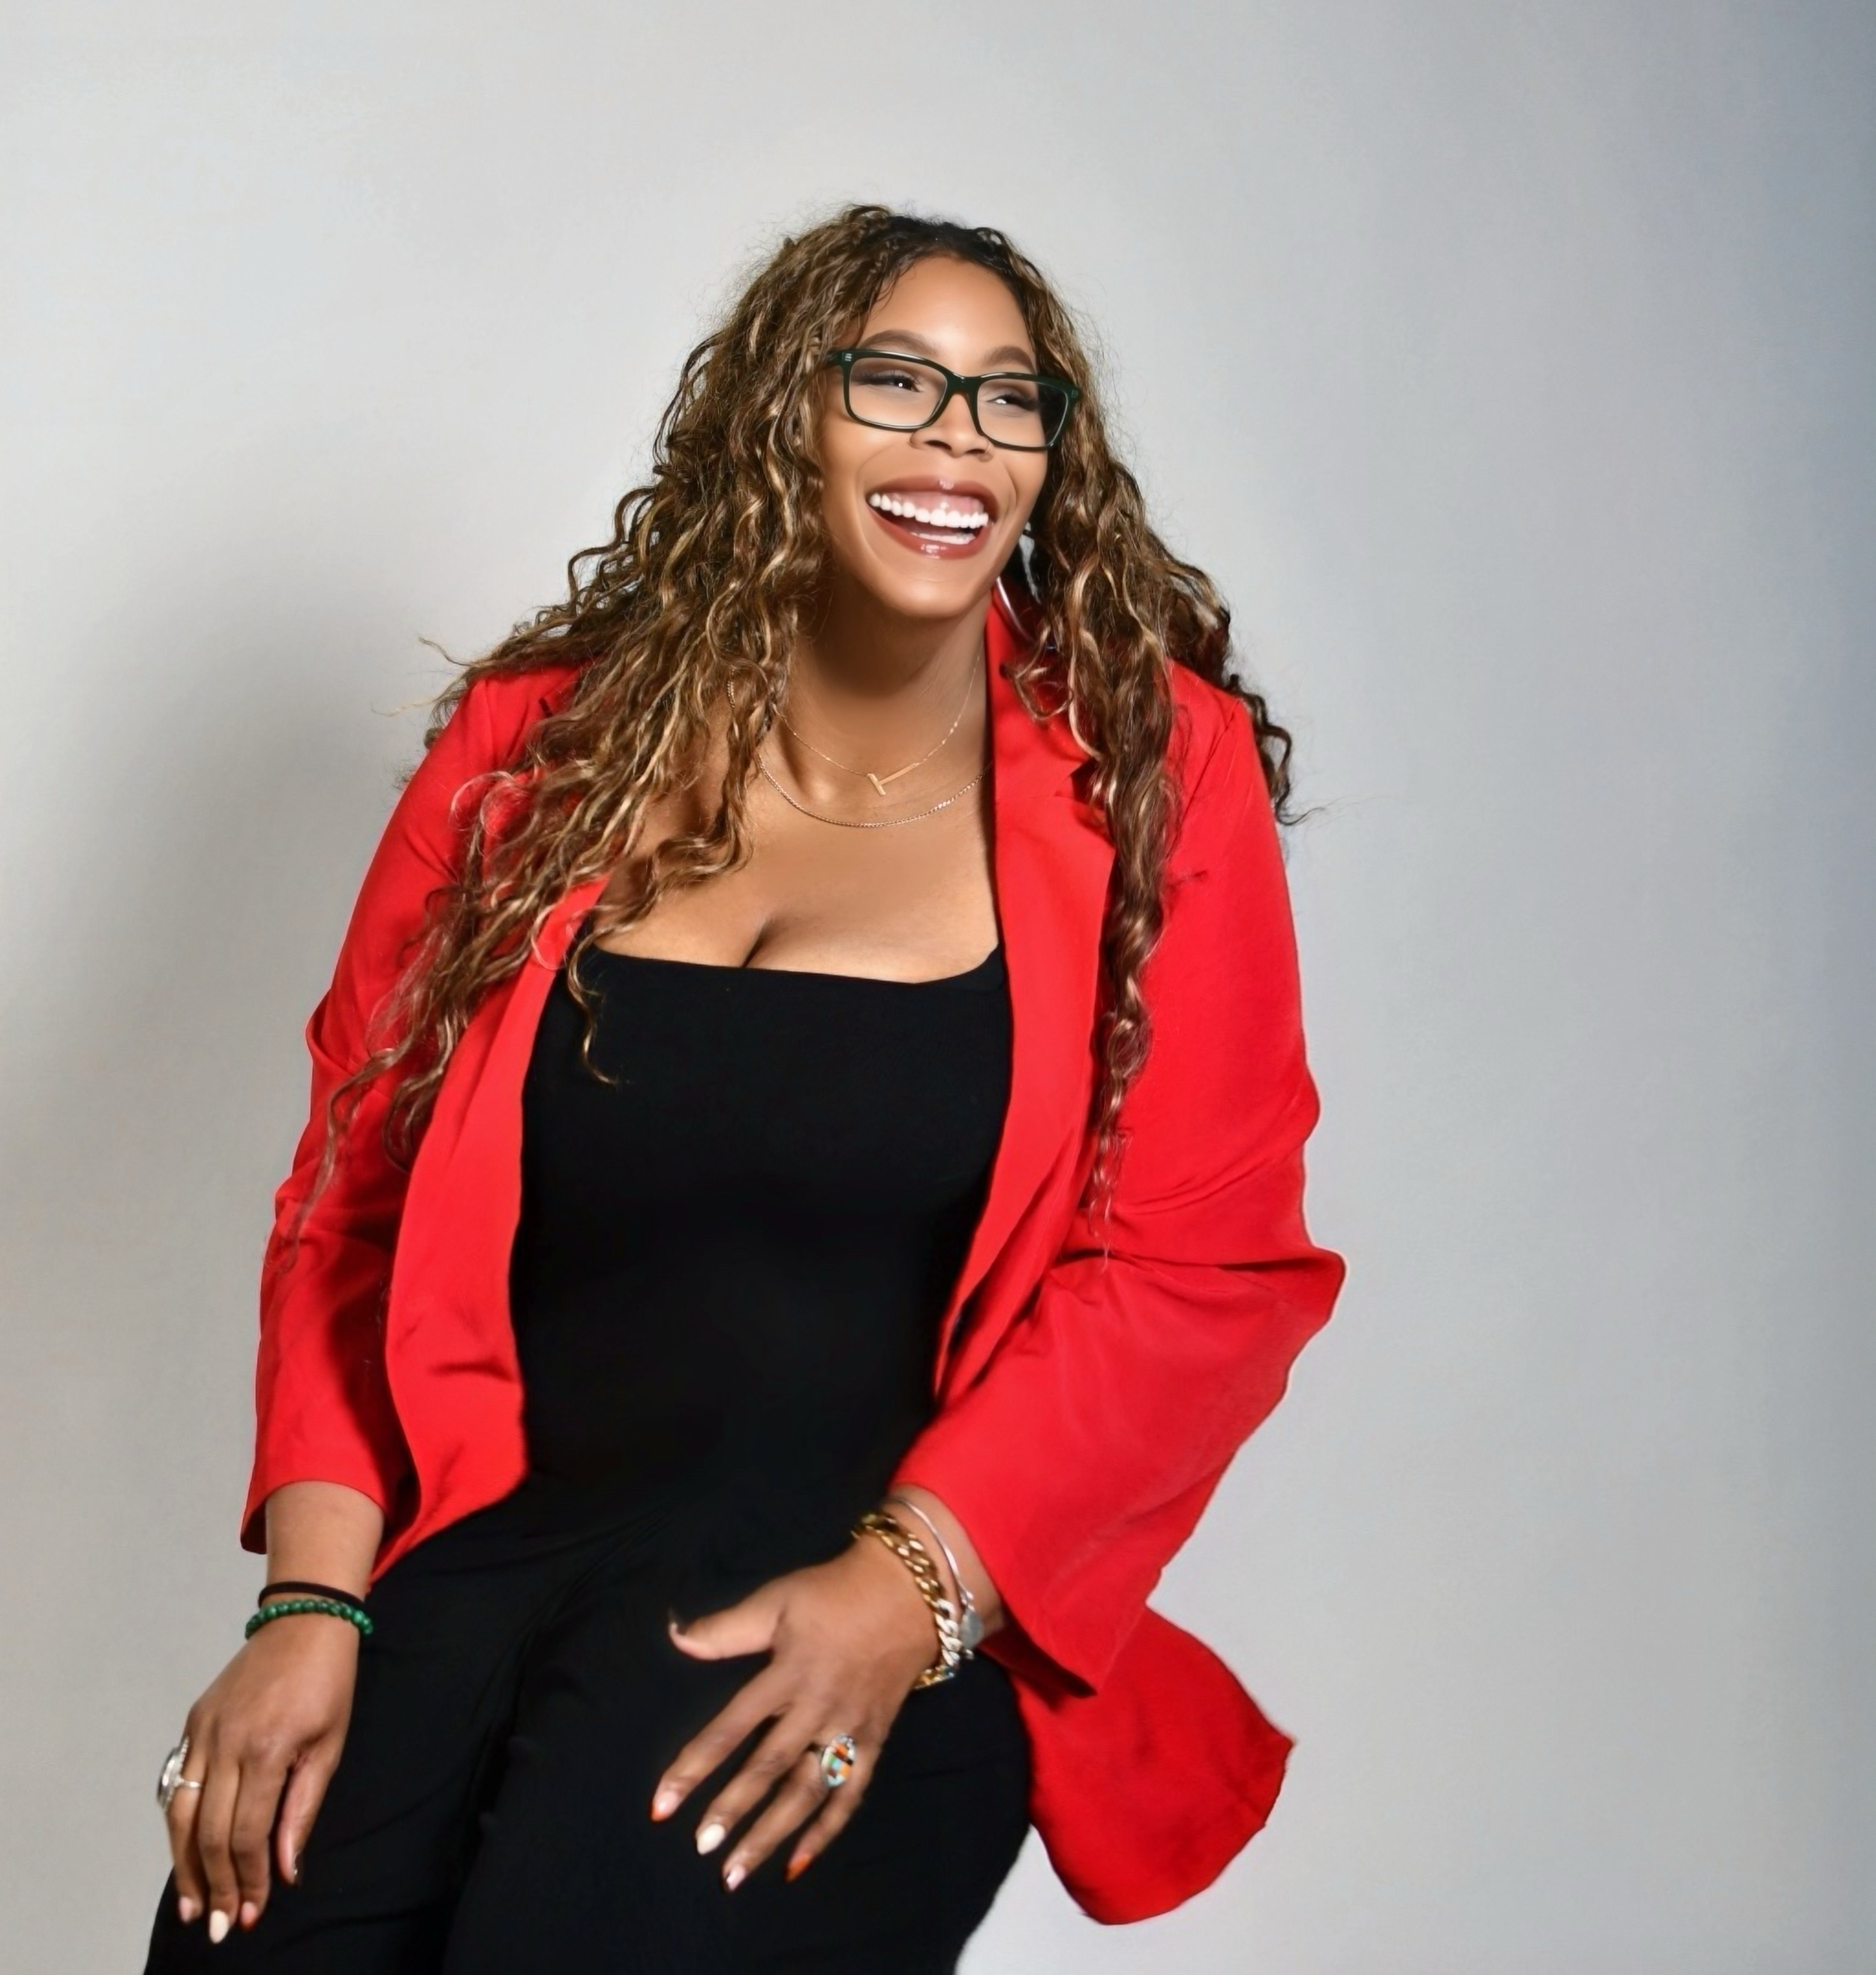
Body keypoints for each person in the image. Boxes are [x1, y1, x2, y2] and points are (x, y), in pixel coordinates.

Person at [146, 204, 1345, 1972]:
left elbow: (1196, 1266)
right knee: (240, 1924)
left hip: (851, 1597)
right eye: (897, 380)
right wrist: (311, 1598)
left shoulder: (1148, 770)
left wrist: (906, 1592)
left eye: (1008, 397)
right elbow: (354, 1203)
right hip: (484, 1556)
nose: (958, 438)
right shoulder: (535, 749)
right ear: (787, 411)